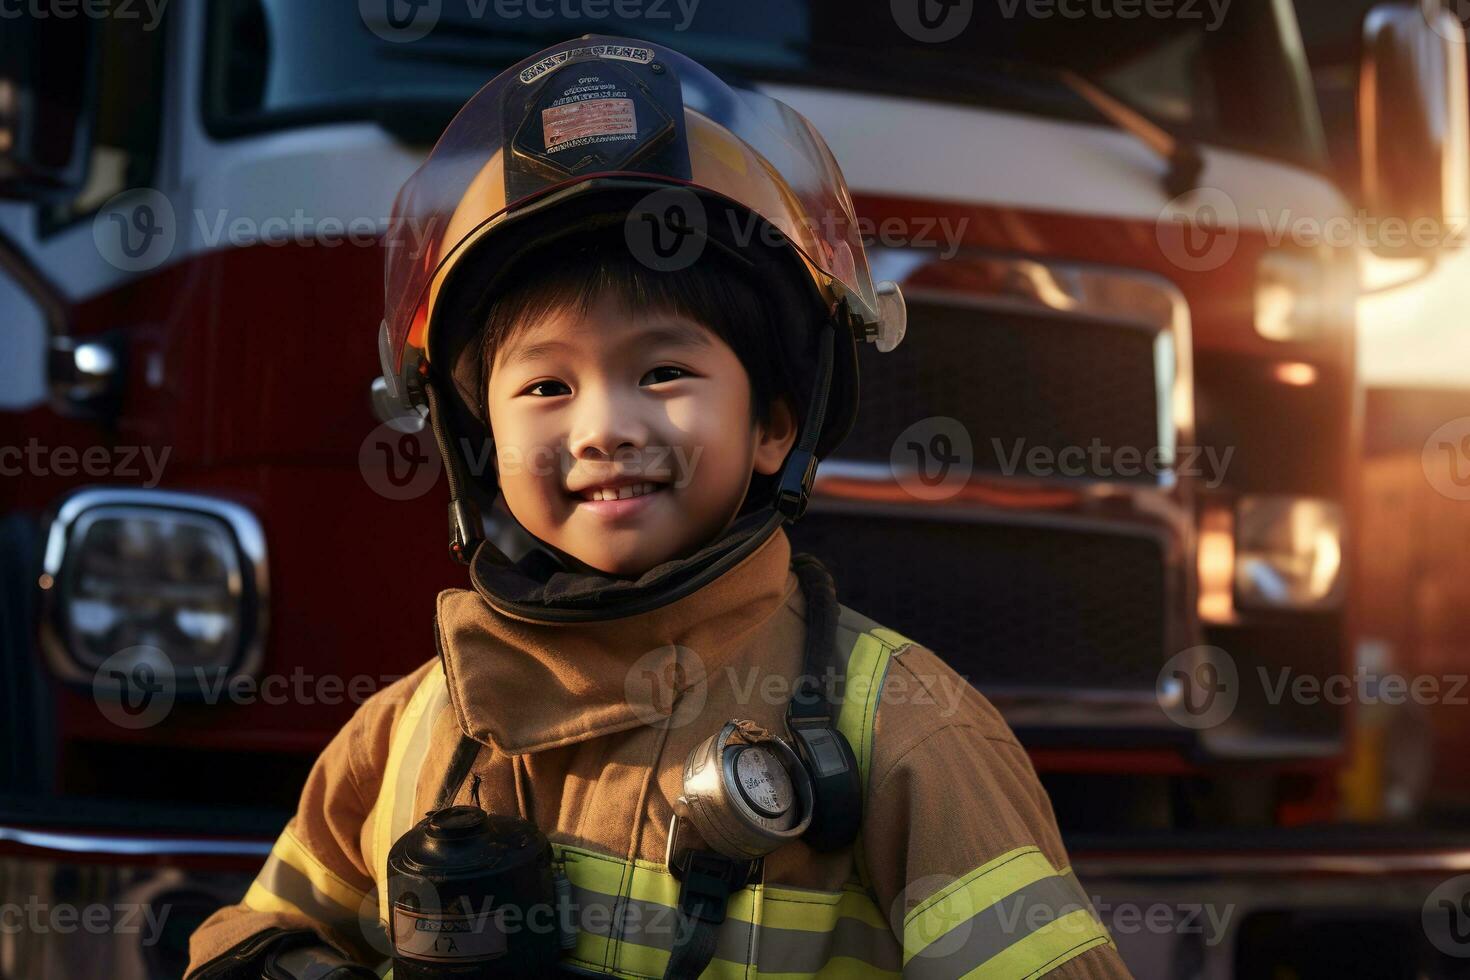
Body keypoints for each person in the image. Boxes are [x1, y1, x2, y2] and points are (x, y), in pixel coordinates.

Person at [186, 34, 1134, 980]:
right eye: (545, 388)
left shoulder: (908, 737)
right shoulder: (409, 729)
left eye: (665, 371)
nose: (603, 428)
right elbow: (253, 937)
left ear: (774, 424)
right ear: (472, 443)